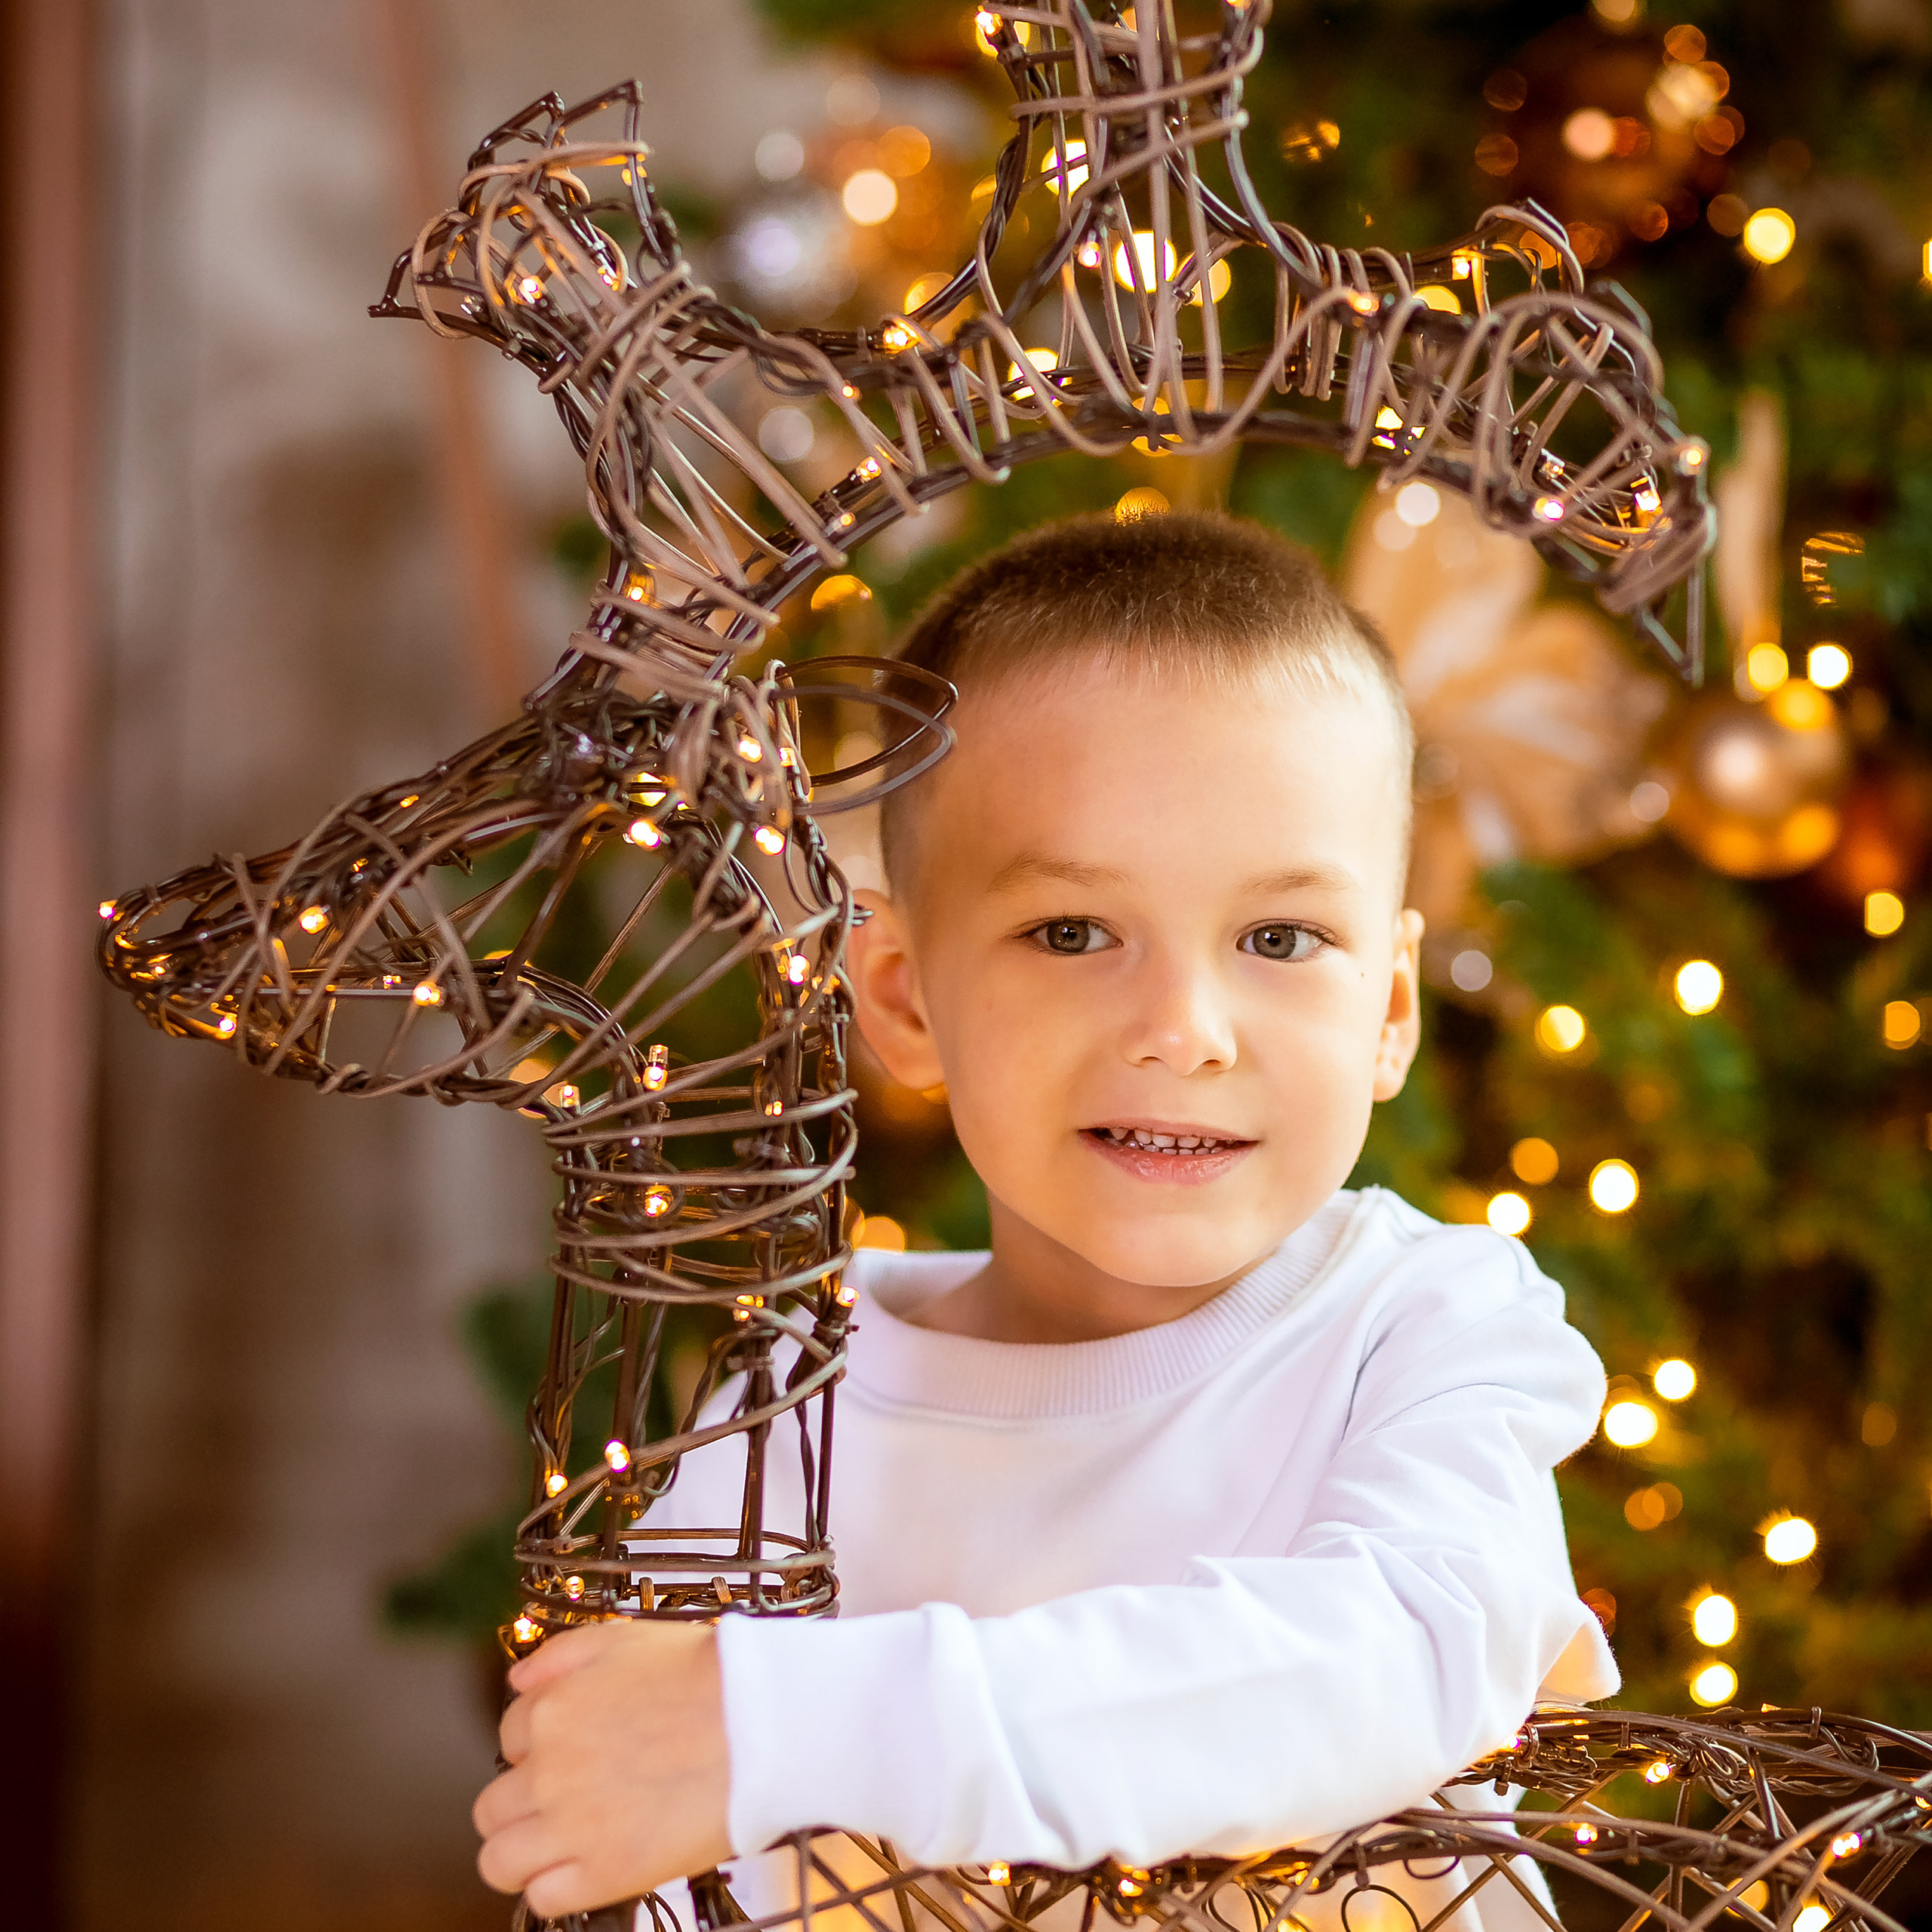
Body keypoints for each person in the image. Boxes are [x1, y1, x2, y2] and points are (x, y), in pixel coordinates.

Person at [471, 509, 1619, 1920]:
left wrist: (781, 1729)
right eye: (1073, 933)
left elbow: (1390, 1663)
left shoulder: (1433, 1333)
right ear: (902, 997)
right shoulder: (789, 1408)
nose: (1184, 1030)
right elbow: (655, 1836)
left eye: (1279, 940)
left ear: (1386, 1008)